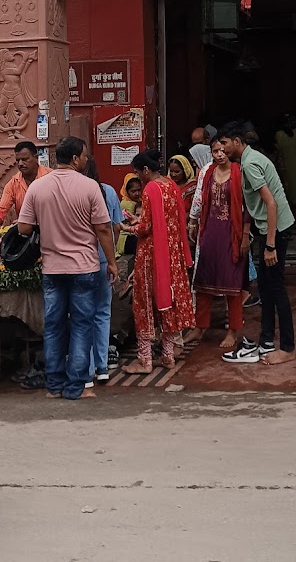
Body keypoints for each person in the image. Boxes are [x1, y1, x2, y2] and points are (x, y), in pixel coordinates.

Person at [17, 137, 118, 400]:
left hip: (52, 268)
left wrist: (48, 224)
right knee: (82, 325)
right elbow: (104, 229)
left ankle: (54, 386)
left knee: (53, 326)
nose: (86, 160)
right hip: (84, 267)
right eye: (84, 156)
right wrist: (113, 262)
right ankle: (77, 386)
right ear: (75, 159)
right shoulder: (90, 187)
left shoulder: (38, 187)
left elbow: (23, 228)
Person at [219, 122, 296, 365]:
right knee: (265, 286)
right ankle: (265, 341)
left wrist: (270, 245)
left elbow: (270, 203)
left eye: (225, 143)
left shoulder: (250, 164)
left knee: (275, 288)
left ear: (237, 142)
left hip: (276, 231)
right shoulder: (249, 159)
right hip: (270, 229)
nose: (222, 148)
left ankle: (287, 348)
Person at [121, 149, 195, 374]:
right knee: (168, 301)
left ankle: (144, 360)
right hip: (172, 253)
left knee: (144, 303)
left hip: (151, 254)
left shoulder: (151, 188)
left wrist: (127, 227)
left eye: (137, 172)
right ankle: (168, 355)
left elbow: (146, 228)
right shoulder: (171, 186)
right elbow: (170, 219)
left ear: (145, 170)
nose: (138, 177)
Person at [188, 137, 250, 350]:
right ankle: (199, 326)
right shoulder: (207, 173)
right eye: (215, 151)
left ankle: (233, 330)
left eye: (223, 150)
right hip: (210, 230)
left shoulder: (239, 172)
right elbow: (200, 198)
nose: (220, 154)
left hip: (231, 233)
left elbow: (248, 205)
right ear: (211, 153)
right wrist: (193, 220)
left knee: (232, 284)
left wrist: (245, 234)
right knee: (204, 279)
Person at [82, 158, 123, 386]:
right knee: (102, 313)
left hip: (79, 263)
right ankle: (102, 366)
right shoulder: (107, 191)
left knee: (81, 316)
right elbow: (114, 227)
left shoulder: (74, 193)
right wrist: (111, 256)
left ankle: (86, 370)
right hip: (103, 260)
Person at [0, 141, 50, 231]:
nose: (20, 164)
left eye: (24, 159)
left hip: (50, 230)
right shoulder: (13, 184)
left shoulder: (51, 177)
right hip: (25, 233)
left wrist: (25, 221)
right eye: (18, 160)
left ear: (36, 158)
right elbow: (1, 209)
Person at [273, 115, 296, 219]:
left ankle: (290, 218)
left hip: (284, 168)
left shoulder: (279, 135)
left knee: (286, 192)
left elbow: (278, 152)